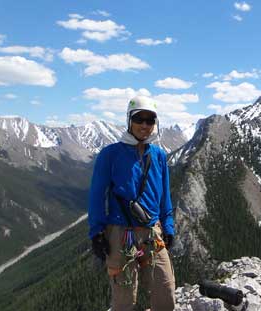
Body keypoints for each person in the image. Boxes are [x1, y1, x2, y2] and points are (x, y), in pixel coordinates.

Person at [88, 96, 176, 311]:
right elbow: (97, 195)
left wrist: (169, 226)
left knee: (165, 289)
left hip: (152, 232)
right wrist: (97, 232)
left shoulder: (158, 155)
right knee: (124, 297)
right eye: (139, 119)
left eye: (150, 120)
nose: (144, 125)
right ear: (129, 120)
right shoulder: (110, 154)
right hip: (120, 232)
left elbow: (164, 195)